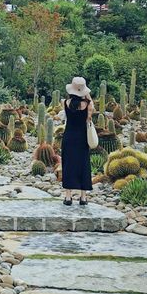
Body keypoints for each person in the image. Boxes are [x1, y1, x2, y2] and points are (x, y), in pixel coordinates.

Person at [61, 76, 94, 206]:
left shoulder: (65, 103)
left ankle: (68, 197)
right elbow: (89, 118)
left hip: (69, 137)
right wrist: (87, 95)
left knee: (68, 164)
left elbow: (65, 117)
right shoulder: (88, 105)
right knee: (83, 164)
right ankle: (83, 197)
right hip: (82, 138)